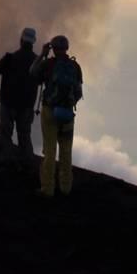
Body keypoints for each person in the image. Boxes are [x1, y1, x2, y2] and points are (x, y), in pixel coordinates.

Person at [29, 34, 82, 197]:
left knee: (50, 151)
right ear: (66, 48)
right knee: (66, 152)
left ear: (53, 48)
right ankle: (66, 188)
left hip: (50, 112)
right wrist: (67, 103)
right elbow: (79, 93)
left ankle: (48, 189)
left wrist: (42, 54)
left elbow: (32, 73)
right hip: (67, 115)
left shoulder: (48, 64)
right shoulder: (75, 66)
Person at [0, 27, 40, 155]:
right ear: (33, 42)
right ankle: (27, 167)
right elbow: (41, 80)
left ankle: (5, 163)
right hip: (26, 106)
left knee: (5, 133)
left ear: (21, 39)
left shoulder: (10, 58)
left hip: (8, 103)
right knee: (24, 136)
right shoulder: (37, 63)